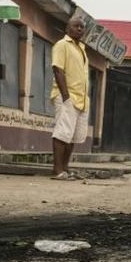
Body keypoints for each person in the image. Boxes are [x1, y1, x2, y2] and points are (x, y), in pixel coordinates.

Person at [50, 17, 89, 180]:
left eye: (82, 27)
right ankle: (58, 169)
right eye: (76, 26)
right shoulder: (62, 45)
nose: (79, 29)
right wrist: (66, 96)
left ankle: (65, 168)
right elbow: (58, 70)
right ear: (68, 28)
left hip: (82, 99)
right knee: (62, 133)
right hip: (68, 96)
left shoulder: (82, 48)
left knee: (72, 135)